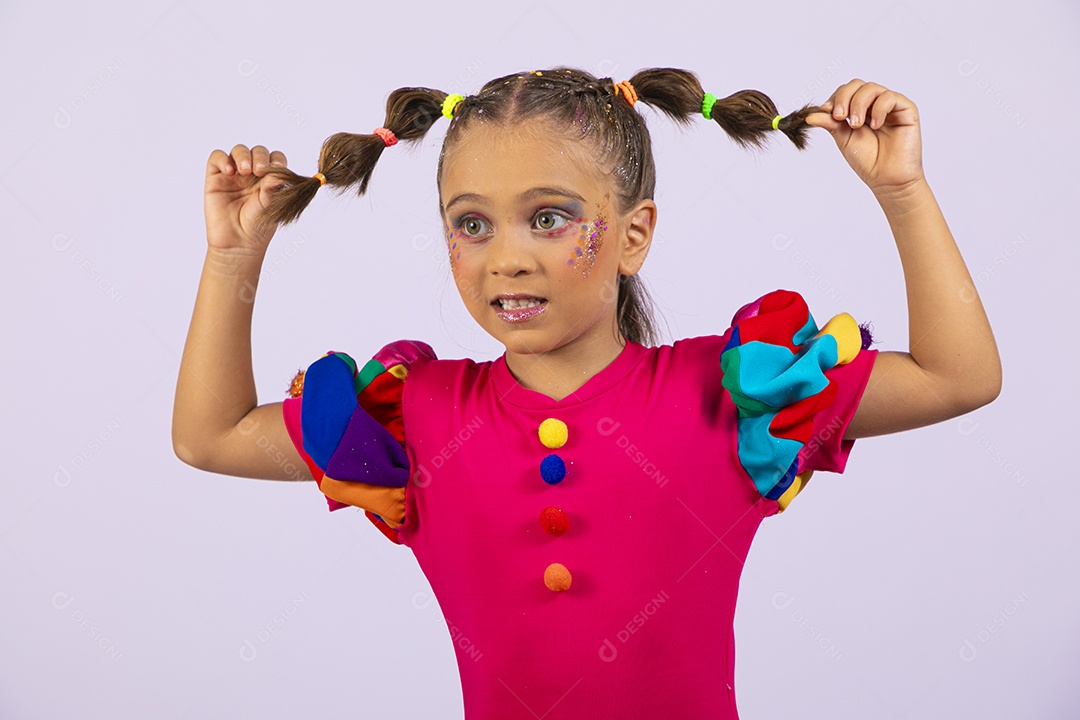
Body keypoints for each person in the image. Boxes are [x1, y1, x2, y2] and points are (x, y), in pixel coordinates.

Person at [173, 67, 1001, 719]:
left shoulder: (729, 393)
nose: (507, 257)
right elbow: (210, 436)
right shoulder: (419, 415)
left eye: (549, 218)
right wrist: (232, 258)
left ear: (633, 234)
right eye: (472, 224)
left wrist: (903, 191)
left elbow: (957, 377)